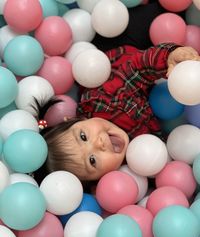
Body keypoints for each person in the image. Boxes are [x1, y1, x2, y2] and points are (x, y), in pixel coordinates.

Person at [33, 43, 200, 187]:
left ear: (75, 120)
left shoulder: (104, 101)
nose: (98, 144)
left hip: (123, 56)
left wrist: (169, 57)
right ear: (99, 181)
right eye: (92, 160)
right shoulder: (134, 170)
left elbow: (137, 68)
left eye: (83, 136)